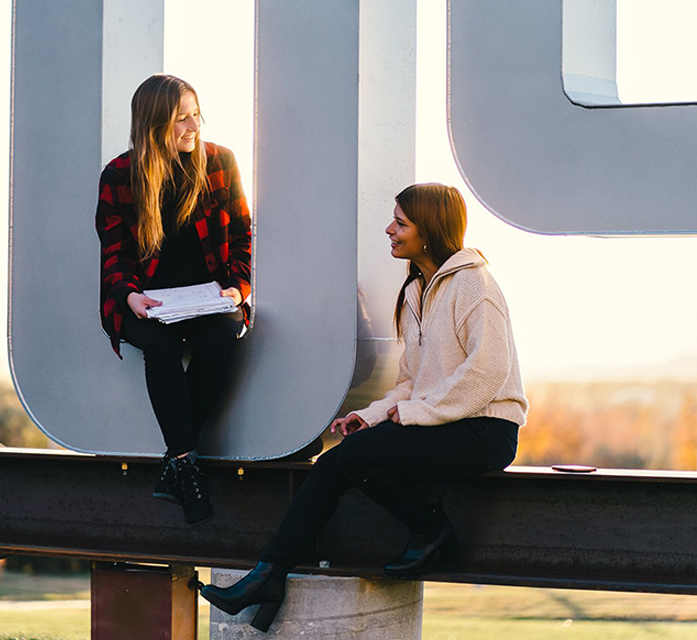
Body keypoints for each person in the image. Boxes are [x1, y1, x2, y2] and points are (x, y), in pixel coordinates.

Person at [200, 183, 527, 632]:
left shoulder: (475, 284)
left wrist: (414, 416)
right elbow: (412, 382)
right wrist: (371, 416)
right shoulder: (417, 290)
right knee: (336, 462)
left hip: (485, 430)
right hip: (446, 423)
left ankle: (430, 529)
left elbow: (486, 373)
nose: (389, 229)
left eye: (401, 222)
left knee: (355, 456)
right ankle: (269, 574)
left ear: (428, 230)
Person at [95, 75, 251, 527]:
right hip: (146, 299)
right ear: (153, 124)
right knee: (159, 347)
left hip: (208, 297)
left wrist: (238, 289)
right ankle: (185, 462)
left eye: (196, 114)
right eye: (180, 118)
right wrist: (129, 296)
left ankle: (176, 466)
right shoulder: (120, 175)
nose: (193, 126)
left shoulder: (221, 162)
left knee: (222, 335)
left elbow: (243, 236)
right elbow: (114, 252)